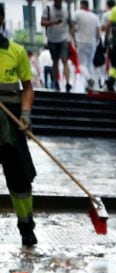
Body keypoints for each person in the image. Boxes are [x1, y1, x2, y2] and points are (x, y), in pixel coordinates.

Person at [0, 4, 38, 247]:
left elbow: (27, 88)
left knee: (20, 180)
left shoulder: (16, 51)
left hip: (11, 123)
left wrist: (25, 114)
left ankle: (26, 227)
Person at [41, 0, 73, 92]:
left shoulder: (66, 8)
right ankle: (56, 82)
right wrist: (53, 22)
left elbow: (70, 24)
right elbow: (42, 22)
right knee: (55, 62)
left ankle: (67, 83)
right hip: (52, 39)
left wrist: (73, 38)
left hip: (64, 38)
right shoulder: (48, 9)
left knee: (65, 60)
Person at [72, 0, 101, 93]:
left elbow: (72, 26)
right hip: (92, 43)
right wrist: (96, 42)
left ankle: (89, 79)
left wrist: (74, 39)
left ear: (81, 5)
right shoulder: (95, 16)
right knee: (89, 64)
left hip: (81, 41)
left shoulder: (77, 13)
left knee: (81, 64)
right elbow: (98, 32)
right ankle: (90, 86)